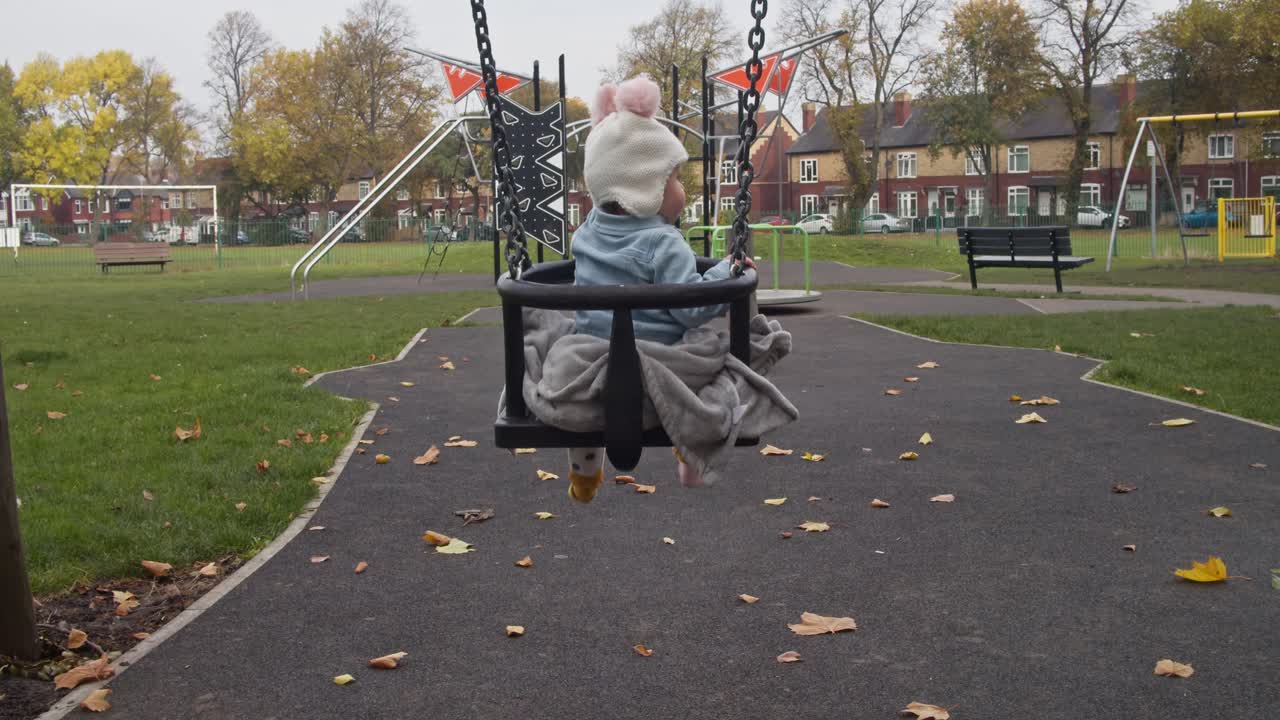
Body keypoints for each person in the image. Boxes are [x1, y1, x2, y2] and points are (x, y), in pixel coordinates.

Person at [564, 75, 754, 503]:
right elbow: (690, 308)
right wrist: (725, 273)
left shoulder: (587, 231)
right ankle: (692, 459)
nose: (681, 191)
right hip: (654, 364)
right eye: (674, 180)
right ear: (643, 187)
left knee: (584, 415)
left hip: (590, 358)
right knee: (711, 367)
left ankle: (585, 475)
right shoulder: (663, 242)